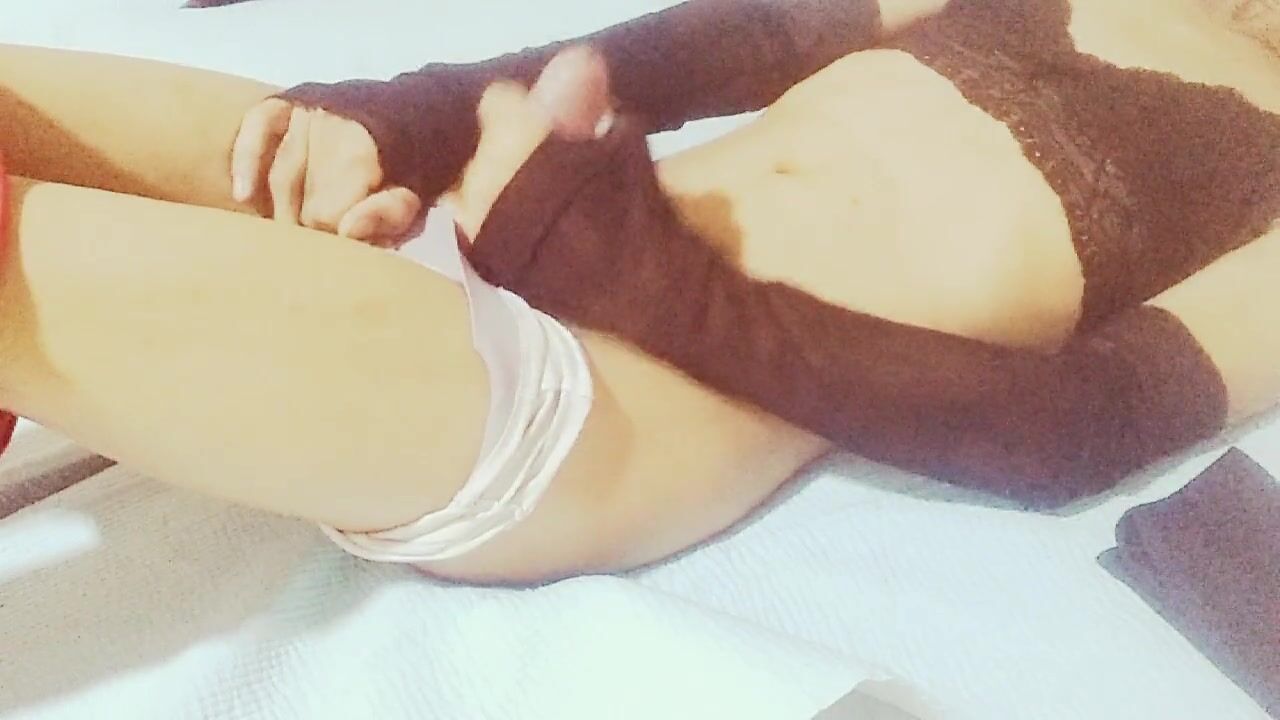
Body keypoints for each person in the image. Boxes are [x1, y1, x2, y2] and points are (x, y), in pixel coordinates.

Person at [0, 0, 1272, 585]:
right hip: (510, 210)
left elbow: (1078, 427)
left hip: (599, 406)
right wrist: (404, 116)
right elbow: (745, 39)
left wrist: (648, 285)